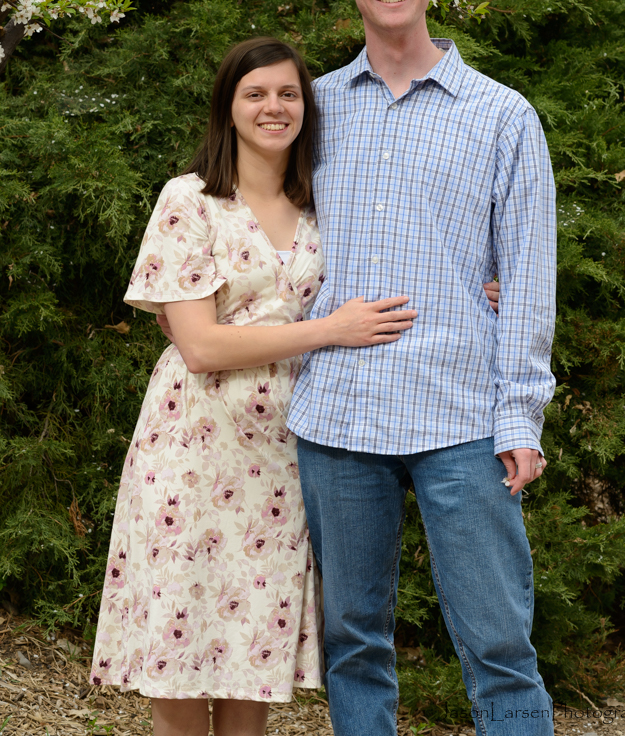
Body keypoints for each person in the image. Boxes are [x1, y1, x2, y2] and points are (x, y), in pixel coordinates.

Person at [89, 37, 420, 736]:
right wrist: (328, 330)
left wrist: (474, 293)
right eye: (256, 94)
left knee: (251, 651)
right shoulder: (190, 200)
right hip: (191, 452)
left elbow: (399, 275)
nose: (274, 107)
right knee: (180, 648)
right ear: (228, 106)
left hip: (282, 460)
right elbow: (201, 346)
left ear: (307, 106)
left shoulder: (324, 206)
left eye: (288, 94)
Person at [286, 0, 557, 736]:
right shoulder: (311, 110)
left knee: (499, 644)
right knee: (352, 643)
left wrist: (520, 417)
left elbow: (528, 279)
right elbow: (261, 230)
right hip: (338, 414)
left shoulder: (500, 115)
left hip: (460, 416)